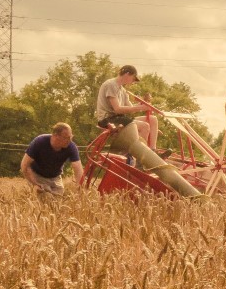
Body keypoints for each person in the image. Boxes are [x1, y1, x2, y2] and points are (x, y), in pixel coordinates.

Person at [94, 65, 204, 199]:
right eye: (133, 79)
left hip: (120, 119)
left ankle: (151, 151)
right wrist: (141, 107)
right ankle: (141, 159)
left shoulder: (122, 90)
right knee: (141, 125)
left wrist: (144, 104)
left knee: (151, 121)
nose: (133, 82)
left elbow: (129, 108)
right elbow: (117, 109)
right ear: (127, 74)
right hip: (108, 119)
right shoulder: (111, 85)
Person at [21, 123, 84, 195]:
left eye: (71, 137)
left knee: (57, 203)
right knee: (44, 200)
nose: (69, 140)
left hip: (56, 178)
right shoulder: (40, 141)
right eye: (66, 137)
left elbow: (78, 167)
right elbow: (24, 165)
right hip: (37, 176)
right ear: (56, 136)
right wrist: (35, 184)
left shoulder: (71, 147)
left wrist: (80, 189)